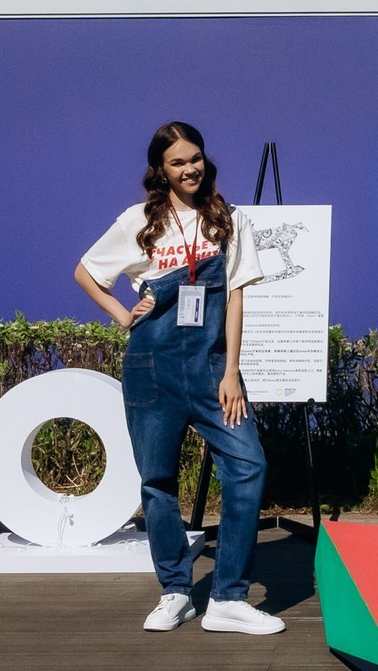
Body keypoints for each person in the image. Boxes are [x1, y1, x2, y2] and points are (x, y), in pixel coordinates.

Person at [74, 121, 283, 637]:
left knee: (248, 467)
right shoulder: (139, 221)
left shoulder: (228, 220)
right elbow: (87, 272)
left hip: (213, 371)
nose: (189, 169)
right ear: (160, 170)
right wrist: (123, 316)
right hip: (151, 369)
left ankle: (228, 598)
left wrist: (231, 372)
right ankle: (175, 592)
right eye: (177, 162)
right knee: (157, 482)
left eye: (195, 158)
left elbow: (236, 298)